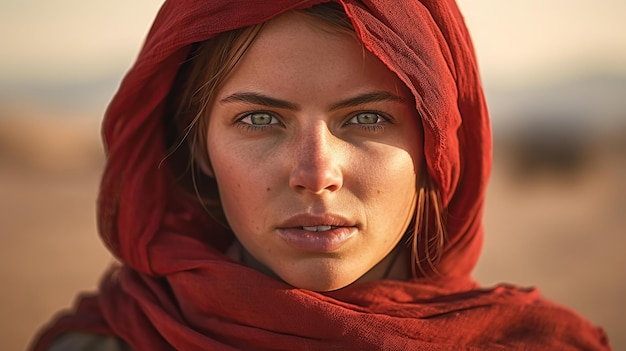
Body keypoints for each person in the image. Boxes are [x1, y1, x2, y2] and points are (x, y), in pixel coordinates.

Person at [31, 1, 611, 350]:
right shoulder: (104, 341)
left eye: (366, 117)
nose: (316, 173)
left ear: (435, 148)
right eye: (259, 119)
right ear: (201, 148)